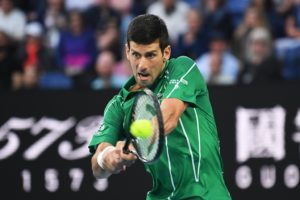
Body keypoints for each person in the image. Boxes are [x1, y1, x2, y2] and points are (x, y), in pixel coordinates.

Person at [88, 14, 232, 200]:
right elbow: (97, 168)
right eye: (136, 55)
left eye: (150, 55)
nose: (142, 65)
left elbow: (168, 117)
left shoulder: (183, 68)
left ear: (166, 52)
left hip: (205, 195)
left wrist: (135, 143)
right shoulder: (118, 105)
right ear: (127, 51)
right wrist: (109, 158)